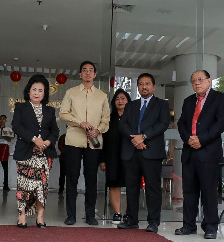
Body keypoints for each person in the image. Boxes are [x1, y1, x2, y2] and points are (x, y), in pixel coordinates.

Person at [175, 70, 224, 240]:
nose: (197, 83)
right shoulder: (188, 101)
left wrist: (202, 140)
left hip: (208, 152)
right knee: (189, 192)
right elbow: (182, 123)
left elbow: (220, 123)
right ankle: (188, 225)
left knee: (208, 192)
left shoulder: (220, 98)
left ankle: (210, 227)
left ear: (209, 81)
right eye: (193, 81)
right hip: (190, 152)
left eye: (200, 80)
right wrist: (188, 139)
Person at [58, 61, 110, 226]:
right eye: (84, 71)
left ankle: (90, 215)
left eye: (91, 71)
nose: (88, 73)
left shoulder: (102, 96)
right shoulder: (71, 93)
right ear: (80, 74)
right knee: (71, 178)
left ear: (95, 75)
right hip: (74, 140)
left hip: (94, 143)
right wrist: (80, 122)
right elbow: (63, 114)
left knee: (91, 179)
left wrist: (98, 130)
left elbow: (106, 120)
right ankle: (71, 215)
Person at [118, 73, 169, 232]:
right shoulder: (130, 105)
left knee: (153, 188)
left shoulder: (161, 104)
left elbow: (163, 124)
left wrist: (143, 137)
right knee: (131, 188)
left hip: (151, 151)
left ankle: (153, 222)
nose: (144, 87)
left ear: (154, 86)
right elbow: (123, 125)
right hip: (131, 151)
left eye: (147, 83)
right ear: (138, 87)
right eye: (141, 84)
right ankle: (131, 220)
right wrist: (135, 139)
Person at [12, 74, 59, 228]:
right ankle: (22, 216)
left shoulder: (50, 111)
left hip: (44, 155)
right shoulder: (20, 107)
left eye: (40, 90)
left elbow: (55, 131)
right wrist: (34, 139)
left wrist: (47, 142)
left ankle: (40, 217)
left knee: (42, 187)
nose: (37, 92)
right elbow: (16, 127)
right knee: (24, 186)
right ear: (29, 91)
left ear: (45, 94)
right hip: (26, 153)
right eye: (34, 89)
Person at [100, 89, 131, 224]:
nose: (120, 101)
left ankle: (129, 213)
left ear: (128, 101)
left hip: (130, 157)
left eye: (123, 98)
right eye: (117, 99)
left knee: (131, 185)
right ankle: (117, 213)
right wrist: (102, 159)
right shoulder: (108, 119)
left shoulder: (133, 117)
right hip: (112, 157)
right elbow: (103, 140)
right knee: (114, 185)